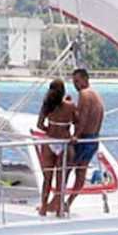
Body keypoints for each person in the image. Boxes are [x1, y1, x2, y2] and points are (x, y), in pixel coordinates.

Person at [36, 78, 77, 216]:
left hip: (49, 142)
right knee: (61, 178)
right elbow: (77, 121)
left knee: (47, 178)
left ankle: (43, 208)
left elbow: (39, 125)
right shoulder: (70, 106)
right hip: (64, 142)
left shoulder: (46, 105)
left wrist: (50, 129)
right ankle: (59, 209)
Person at [66, 68, 104, 211]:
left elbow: (83, 117)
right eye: (73, 82)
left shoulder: (84, 94)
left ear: (85, 79)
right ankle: (68, 202)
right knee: (80, 171)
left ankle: (59, 201)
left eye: (77, 81)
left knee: (67, 168)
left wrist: (76, 135)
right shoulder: (96, 94)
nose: (75, 85)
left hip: (84, 138)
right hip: (93, 138)